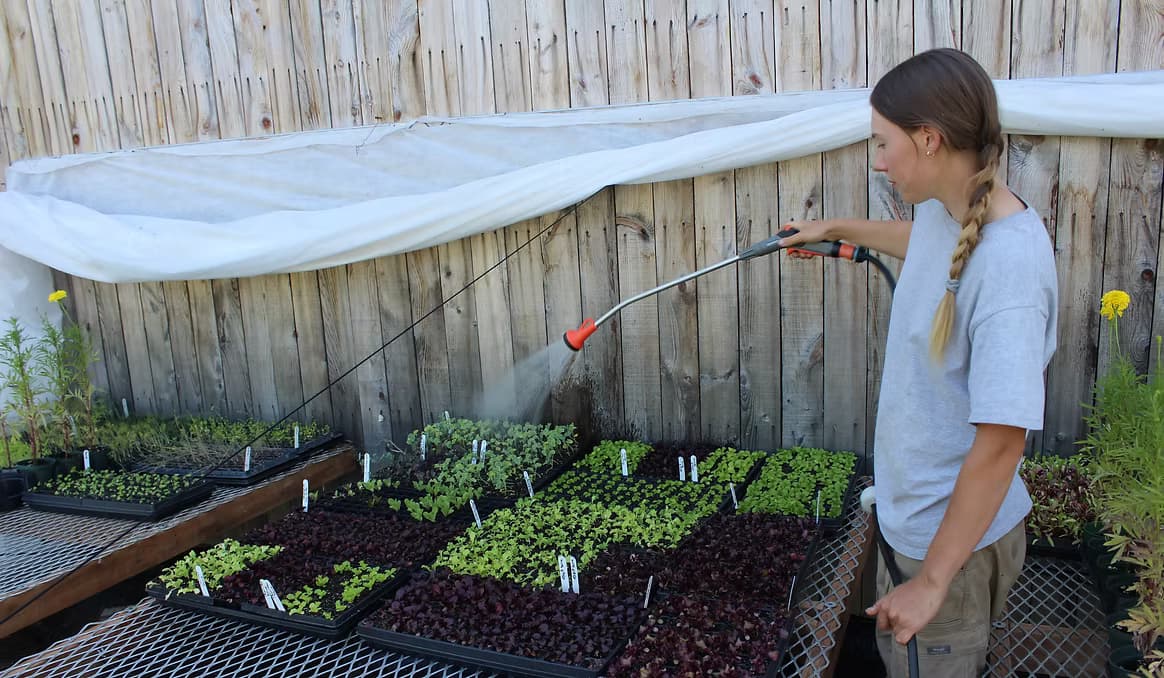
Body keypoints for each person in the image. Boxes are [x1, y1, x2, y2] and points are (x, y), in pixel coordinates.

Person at [777, 48, 1058, 677]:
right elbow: (919, 241)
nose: (878, 161)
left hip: (947, 549)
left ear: (929, 139)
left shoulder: (1009, 268)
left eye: (883, 143)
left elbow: (1002, 443)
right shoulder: (950, 210)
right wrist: (833, 228)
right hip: (919, 523)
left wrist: (931, 583)